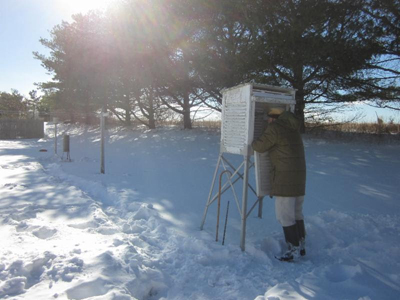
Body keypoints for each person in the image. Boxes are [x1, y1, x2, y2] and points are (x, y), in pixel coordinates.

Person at [251, 107, 307, 262]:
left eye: (269, 118)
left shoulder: (275, 128)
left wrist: (258, 135)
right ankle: (301, 244)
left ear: (274, 118)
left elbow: (258, 146)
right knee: (296, 213)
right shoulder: (293, 128)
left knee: (284, 215)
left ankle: (293, 248)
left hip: (285, 179)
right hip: (299, 178)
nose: (268, 121)